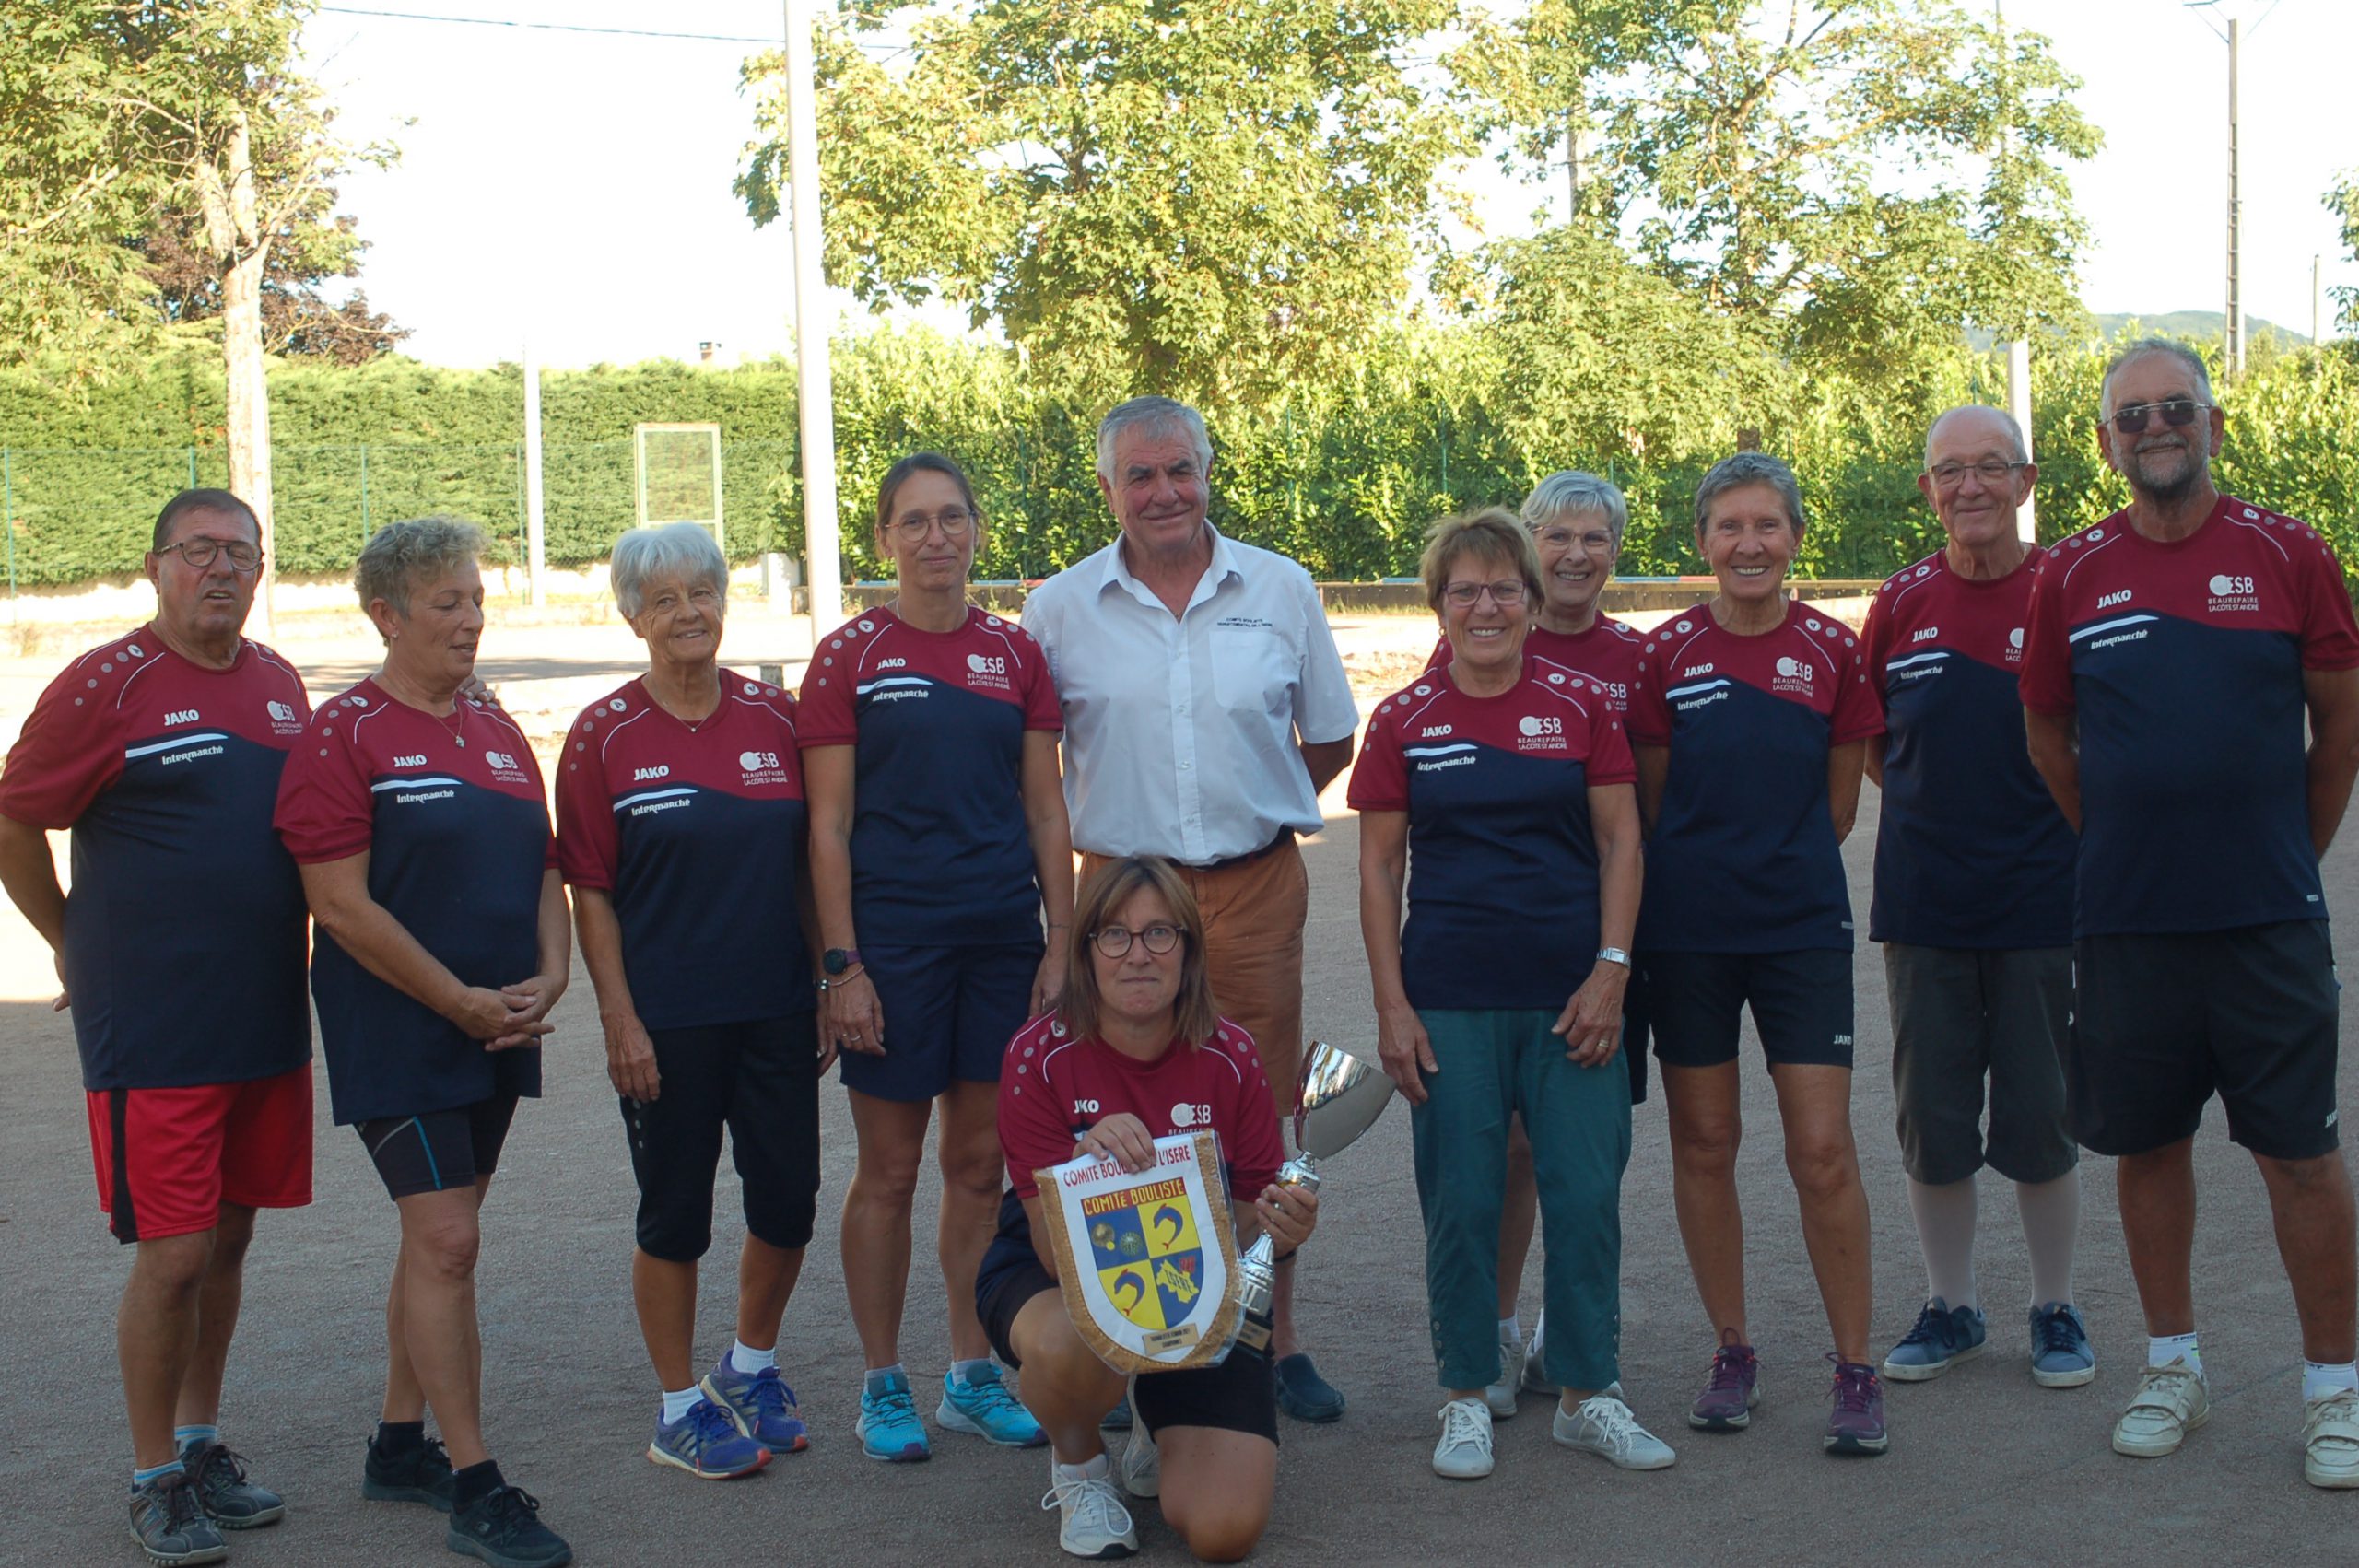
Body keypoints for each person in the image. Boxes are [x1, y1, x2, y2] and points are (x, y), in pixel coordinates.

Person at [2021, 336, 2359, 1487]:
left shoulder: (2288, 553)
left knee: (2302, 1159)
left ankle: (2333, 1393)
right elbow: (2047, 736)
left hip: (2265, 918)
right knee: (2147, 1147)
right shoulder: (2069, 572)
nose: (2154, 425)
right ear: (2106, 441)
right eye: (2131, 415)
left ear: (2212, 425)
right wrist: (2120, 842)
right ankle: (2172, 1367)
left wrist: (2282, 856)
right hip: (2126, 922)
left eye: (2175, 407)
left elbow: (2339, 730)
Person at [1021, 396, 1358, 1424]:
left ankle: (1270, 1331)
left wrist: (1243, 800)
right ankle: (1139, 1332)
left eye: (1180, 471)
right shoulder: (1059, 609)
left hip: (1253, 886)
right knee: (1124, 1109)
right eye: (1140, 475)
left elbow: (1329, 740)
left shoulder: (1280, 586)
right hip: (1122, 895)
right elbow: (1037, 774)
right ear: (1108, 488)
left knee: (1263, 1117)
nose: (1163, 492)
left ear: (1208, 472)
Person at [0, 489, 309, 1564]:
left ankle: (198, 1439)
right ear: (156, 567)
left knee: (230, 1238)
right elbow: (13, 813)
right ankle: (150, 1476)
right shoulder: (106, 683)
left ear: (260, 572)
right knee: (173, 1254)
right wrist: (69, 940)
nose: (220, 570)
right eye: (198, 552)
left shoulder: (277, 684)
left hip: (264, 1008)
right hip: (156, 1024)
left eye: (240, 553)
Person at [273, 517, 574, 1566]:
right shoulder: (343, 732)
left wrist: (557, 968)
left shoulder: (492, 728)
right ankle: (476, 1481)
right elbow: (340, 906)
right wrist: (456, 999)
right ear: (385, 616)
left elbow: (545, 864)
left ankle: (400, 1445)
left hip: (498, 1020)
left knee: (437, 1237)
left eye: (475, 599)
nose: (470, 619)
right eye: (446, 602)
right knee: (449, 1240)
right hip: (401, 1025)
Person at [1353, 509, 1672, 1480]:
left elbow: (1622, 841)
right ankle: (1464, 1392)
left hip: (1573, 997)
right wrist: (1392, 1008)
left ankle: (1587, 1393)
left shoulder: (1581, 705)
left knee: (1583, 1193)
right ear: (1438, 606)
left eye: (1503, 589)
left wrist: (1612, 969)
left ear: (1532, 603)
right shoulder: (1404, 718)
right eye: (1465, 591)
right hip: (1449, 997)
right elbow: (1376, 871)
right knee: (1461, 1199)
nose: (1484, 606)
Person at [799, 452, 1073, 1459]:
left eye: (951, 517)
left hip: (1001, 940)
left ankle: (966, 1370)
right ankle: (881, 1380)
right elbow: (826, 828)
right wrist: (844, 967)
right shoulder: (848, 658)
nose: (934, 537)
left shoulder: (1015, 655)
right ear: (883, 540)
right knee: (889, 1168)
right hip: (894, 946)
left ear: (976, 530)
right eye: (912, 522)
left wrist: (1060, 945)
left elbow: (1045, 809)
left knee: (977, 1162)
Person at [1627, 451, 1889, 1456]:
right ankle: (1731, 1348)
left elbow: (1836, 807)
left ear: (1793, 539)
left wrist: (1768, 873)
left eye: (1766, 526)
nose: (1748, 544)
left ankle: (1855, 1366)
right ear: (1700, 542)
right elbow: (1656, 804)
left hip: (1797, 930)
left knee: (1821, 1150)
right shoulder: (1666, 657)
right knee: (1704, 1142)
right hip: (1688, 933)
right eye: (1728, 527)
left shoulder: (1833, 649)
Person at [555, 523, 825, 1481]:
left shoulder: (775, 717)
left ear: (723, 600)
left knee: (788, 1198)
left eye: (700, 592)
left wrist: (829, 975)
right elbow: (590, 890)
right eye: (662, 599)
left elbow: (807, 862)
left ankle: (750, 1366)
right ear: (632, 616)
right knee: (676, 1213)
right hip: (666, 1019)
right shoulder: (602, 735)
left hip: (777, 1008)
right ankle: (677, 1406)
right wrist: (618, 1018)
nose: (686, 613)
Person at [975, 857, 1319, 1561]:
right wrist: (1085, 1173)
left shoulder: (1233, 1055)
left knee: (1224, 1534)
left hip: (1201, 1282)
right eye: (1115, 935)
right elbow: (1048, 1250)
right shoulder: (1037, 1055)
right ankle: (1079, 1470)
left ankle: (1153, 1418)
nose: (1137, 954)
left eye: (1160, 934)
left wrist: (1284, 1230)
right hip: (1062, 1275)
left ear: (1189, 952)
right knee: (1074, 1348)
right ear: (1086, 953)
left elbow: (1252, 1213)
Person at [1860, 407, 2091, 1390]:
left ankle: (2053, 1306)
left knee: (2041, 1115)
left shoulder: (2069, 589)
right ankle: (1949, 1305)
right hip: (1925, 903)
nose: (1969, 488)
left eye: (1989, 468)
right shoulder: (1901, 600)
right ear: (1927, 491)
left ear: (2025, 481)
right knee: (1933, 1115)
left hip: (2045, 899)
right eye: (1949, 472)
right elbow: (1870, 742)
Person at [1420, 472, 1652, 1413]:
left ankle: (1575, 1344)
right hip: (1475, 970)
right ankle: (1495, 1334)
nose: (1574, 554)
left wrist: (1615, 956)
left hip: (1601, 944)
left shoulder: (1632, 667)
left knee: (1584, 1157)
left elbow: (1637, 819)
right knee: (1494, 1159)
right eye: (1555, 536)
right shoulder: (1434, 691)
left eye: (1594, 538)